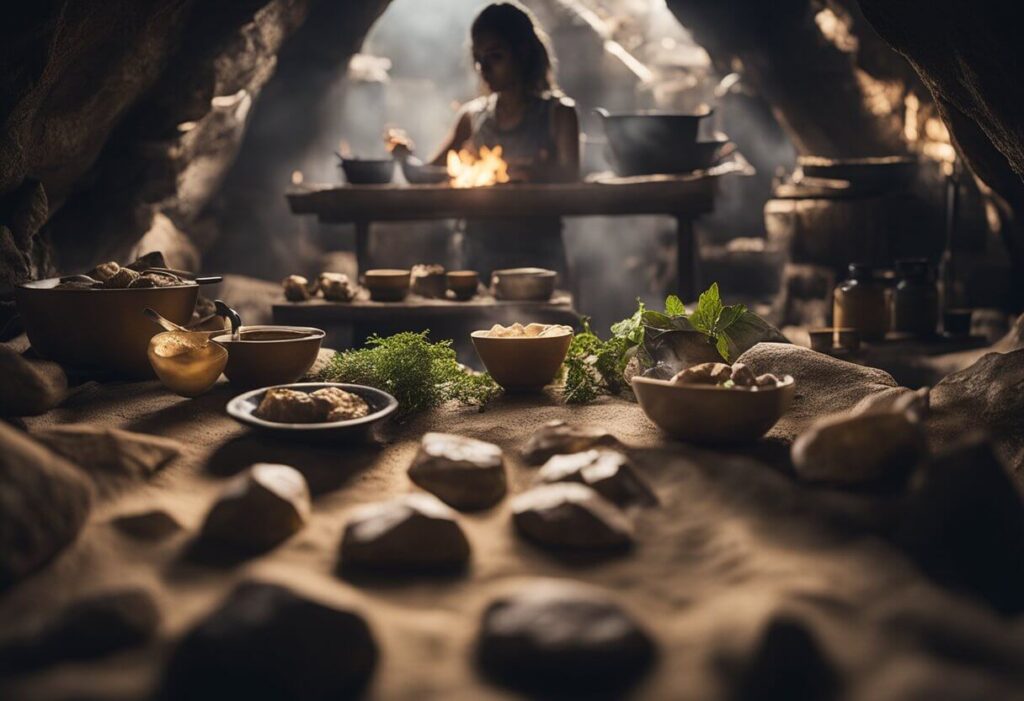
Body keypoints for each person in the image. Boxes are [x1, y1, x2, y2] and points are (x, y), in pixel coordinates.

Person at [392, 1, 579, 281]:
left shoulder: (558, 114)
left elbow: (572, 180)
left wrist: (532, 173)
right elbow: (428, 176)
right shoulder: (472, 116)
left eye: (495, 56)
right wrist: (405, 157)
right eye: (478, 59)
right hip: (476, 258)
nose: (483, 68)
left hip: (539, 258)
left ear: (523, 52)